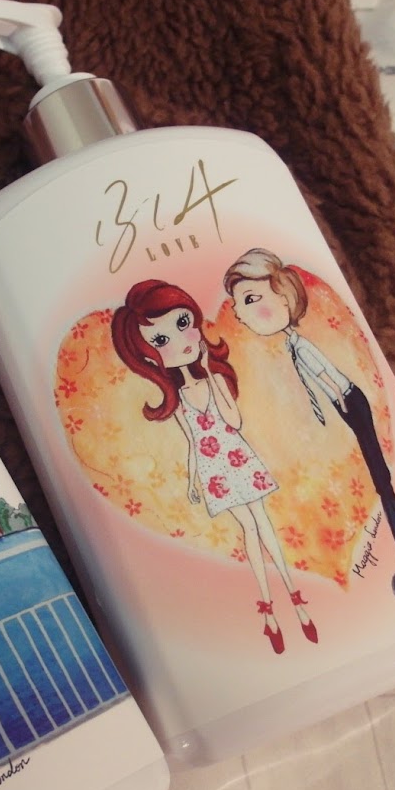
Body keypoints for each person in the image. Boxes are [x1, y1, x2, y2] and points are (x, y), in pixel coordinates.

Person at [110, 279, 315, 654]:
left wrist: (208, 371)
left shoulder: (215, 378)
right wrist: (193, 482)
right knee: (250, 527)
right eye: (161, 340)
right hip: (214, 470)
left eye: (182, 323)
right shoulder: (177, 399)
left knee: (262, 521)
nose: (180, 340)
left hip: (237, 457)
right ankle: (269, 609)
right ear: (150, 358)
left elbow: (234, 422)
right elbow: (192, 443)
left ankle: (295, 597)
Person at [223, 248, 395, 597]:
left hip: (352, 406)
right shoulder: (291, 347)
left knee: (382, 482)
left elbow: (331, 381)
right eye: (238, 303)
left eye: (250, 299)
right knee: (380, 483)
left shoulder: (302, 347)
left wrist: (342, 411)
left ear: (284, 297)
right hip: (347, 407)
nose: (240, 312)